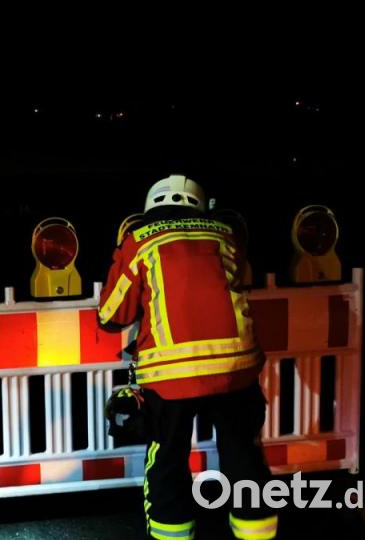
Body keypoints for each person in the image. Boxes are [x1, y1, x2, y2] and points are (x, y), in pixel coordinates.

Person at [98, 175, 276, 540]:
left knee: (167, 458)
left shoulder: (140, 240)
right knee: (243, 455)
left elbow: (111, 314)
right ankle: (257, 532)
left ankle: (173, 534)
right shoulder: (226, 234)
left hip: (170, 375)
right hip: (236, 369)